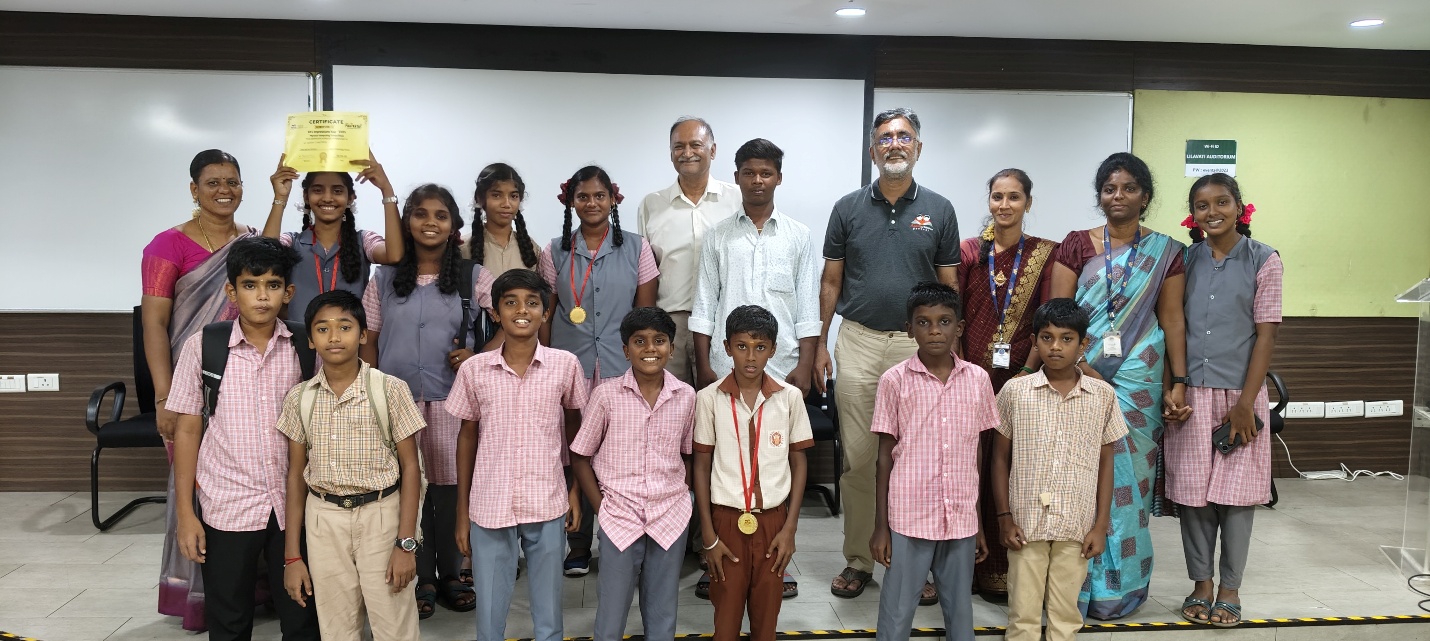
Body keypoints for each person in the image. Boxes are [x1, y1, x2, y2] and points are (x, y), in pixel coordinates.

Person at [816, 107, 961, 601]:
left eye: (903, 136)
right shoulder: (847, 207)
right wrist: (820, 343)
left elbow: (948, 285)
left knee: (915, 462)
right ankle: (859, 559)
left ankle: (916, 565)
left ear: (918, 147)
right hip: (857, 341)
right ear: (872, 150)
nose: (894, 143)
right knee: (859, 460)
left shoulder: (939, 209)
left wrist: (952, 350)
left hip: (917, 347)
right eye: (884, 137)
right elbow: (831, 281)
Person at [1048, 151, 1190, 619]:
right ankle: (1074, 588)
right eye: (1109, 189)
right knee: (1078, 478)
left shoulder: (1167, 252)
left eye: (1129, 188)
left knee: (1130, 478)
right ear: (1100, 196)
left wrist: (1178, 382)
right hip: (1078, 372)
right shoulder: (1075, 245)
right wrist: (1077, 365)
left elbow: (1172, 320)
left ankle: (1120, 587)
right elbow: (1056, 317)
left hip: (1139, 378)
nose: (1118, 196)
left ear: (1145, 196)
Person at [166, 236, 320, 641]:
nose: (262, 296)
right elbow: (187, 430)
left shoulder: (306, 347)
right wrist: (186, 515)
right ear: (232, 292)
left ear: (288, 292)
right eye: (250, 285)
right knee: (230, 619)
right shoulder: (204, 346)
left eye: (273, 285)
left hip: (295, 504)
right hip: (228, 505)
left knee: (303, 618)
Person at [360, 183, 494, 617]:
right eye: (420, 214)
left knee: (450, 489)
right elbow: (369, 339)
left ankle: (452, 574)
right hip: (395, 401)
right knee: (408, 489)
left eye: (440, 215)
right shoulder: (383, 278)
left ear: (454, 225)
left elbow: (514, 319)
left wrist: (479, 356)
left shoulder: (473, 276)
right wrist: (370, 391)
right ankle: (422, 578)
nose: (430, 222)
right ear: (407, 223)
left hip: (452, 400)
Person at [143, 149, 255, 630]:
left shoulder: (250, 239)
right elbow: (155, 323)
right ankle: (199, 595)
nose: (224, 190)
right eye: (213, 182)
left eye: (232, 181)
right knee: (193, 486)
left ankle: (249, 590)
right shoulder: (167, 245)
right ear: (194, 189)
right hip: (188, 385)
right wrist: (164, 396)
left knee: (244, 482)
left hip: (243, 384)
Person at [448, 269, 589, 641]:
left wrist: (574, 491)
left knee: (549, 614)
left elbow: (576, 432)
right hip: (490, 504)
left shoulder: (565, 365)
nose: (522, 310)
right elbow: (466, 437)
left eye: (532, 303)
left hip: (547, 500)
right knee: (489, 616)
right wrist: (462, 511)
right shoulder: (474, 370)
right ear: (496, 313)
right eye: (510, 303)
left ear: (546, 312)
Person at [277, 290, 425, 641]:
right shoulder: (300, 398)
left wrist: (405, 544)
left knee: (394, 625)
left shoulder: (389, 389)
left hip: (381, 515)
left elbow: (411, 469)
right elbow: (295, 477)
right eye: (322, 329)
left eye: (344, 327)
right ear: (310, 339)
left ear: (362, 335)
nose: (334, 337)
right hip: (323, 519)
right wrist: (292, 557)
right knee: (336, 628)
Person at [1167, 174, 1281, 628]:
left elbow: (1266, 336)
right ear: (1192, 214)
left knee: (1237, 499)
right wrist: (1173, 386)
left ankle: (1230, 589)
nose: (1212, 212)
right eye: (1202, 205)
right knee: (1193, 498)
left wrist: (1246, 404)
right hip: (1191, 395)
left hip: (1241, 395)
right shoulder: (1183, 260)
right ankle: (1201, 584)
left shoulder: (1264, 259)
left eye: (1222, 202)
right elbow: (1171, 327)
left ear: (1239, 207)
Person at [539, 165, 659, 575]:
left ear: (613, 200)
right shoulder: (554, 251)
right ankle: (576, 543)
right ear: (571, 202)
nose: (591, 203)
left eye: (599, 196)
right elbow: (545, 313)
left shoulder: (638, 248)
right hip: (569, 367)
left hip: (620, 368)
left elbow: (645, 315)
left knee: (617, 457)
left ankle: (617, 541)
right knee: (574, 453)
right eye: (583, 196)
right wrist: (542, 361)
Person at [991, 298, 1126, 641]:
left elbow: (1106, 462)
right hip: (1025, 523)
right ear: (1034, 341)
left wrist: (1100, 525)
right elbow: (999, 458)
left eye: (1067, 339)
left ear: (1083, 344)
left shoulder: (1102, 396)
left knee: (1066, 615)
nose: (1055, 346)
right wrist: (1004, 517)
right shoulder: (1015, 391)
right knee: (1022, 613)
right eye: (1047, 337)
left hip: (1076, 523)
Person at [869, 283, 995, 641]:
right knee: (897, 610)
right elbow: (884, 456)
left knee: (960, 609)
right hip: (909, 515)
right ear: (909, 328)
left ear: (960, 327)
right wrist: (881, 526)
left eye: (944, 321)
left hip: (960, 516)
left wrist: (978, 521)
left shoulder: (978, 380)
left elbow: (976, 451)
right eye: (923, 322)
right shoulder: (894, 381)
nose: (935, 330)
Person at [956, 168, 1058, 599]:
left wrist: (1028, 374)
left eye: (1014, 197)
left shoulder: (1045, 254)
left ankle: (1006, 573)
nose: (1004, 205)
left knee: (1013, 469)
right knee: (970, 469)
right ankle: (963, 570)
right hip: (970, 379)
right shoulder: (969, 251)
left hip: (1021, 379)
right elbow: (954, 312)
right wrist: (959, 372)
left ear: (1028, 203)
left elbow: (1047, 317)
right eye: (997, 196)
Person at [570, 307, 696, 641]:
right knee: (612, 612)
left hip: (670, 514)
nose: (650, 348)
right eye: (639, 341)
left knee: (662, 609)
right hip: (619, 515)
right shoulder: (606, 395)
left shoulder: (686, 396)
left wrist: (682, 495)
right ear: (626, 350)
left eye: (659, 340)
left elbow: (688, 454)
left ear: (671, 348)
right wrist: (601, 508)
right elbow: (580, 455)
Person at [694, 305, 812, 641]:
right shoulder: (708, 399)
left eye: (760, 347)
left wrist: (790, 528)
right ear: (726, 347)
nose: (750, 357)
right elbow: (701, 467)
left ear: (772, 349)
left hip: (774, 522)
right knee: (726, 622)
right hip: (726, 522)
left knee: (766, 621)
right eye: (741, 346)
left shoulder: (790, 398)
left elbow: (799, 463)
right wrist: (708, 535)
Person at [637, 116, 742, 385]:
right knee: (671, 403)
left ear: (713, 150)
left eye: (695, 145)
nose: (687, 153)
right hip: (671, 324)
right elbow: (644, 271)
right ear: (670, 152)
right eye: (678, 146)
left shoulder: (738, 199)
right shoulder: (652, 205)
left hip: (725, 320)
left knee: (722, 403)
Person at [262, 152, 405, 323]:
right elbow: (264, 257)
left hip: (349, 339)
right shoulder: (292, 242)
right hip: (298, 339)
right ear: (306, 197)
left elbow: (394, 255)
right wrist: (280, 198)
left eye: (337, 191)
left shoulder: (364, 240)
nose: (328, 198)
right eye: (318, 190)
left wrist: (386, 189)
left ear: (350, 198)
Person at [463, 162, 542, 276]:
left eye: (513, 196)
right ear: (480, 198)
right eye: (496, 195)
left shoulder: (532, 250)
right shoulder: (463, 249)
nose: (506, 204)